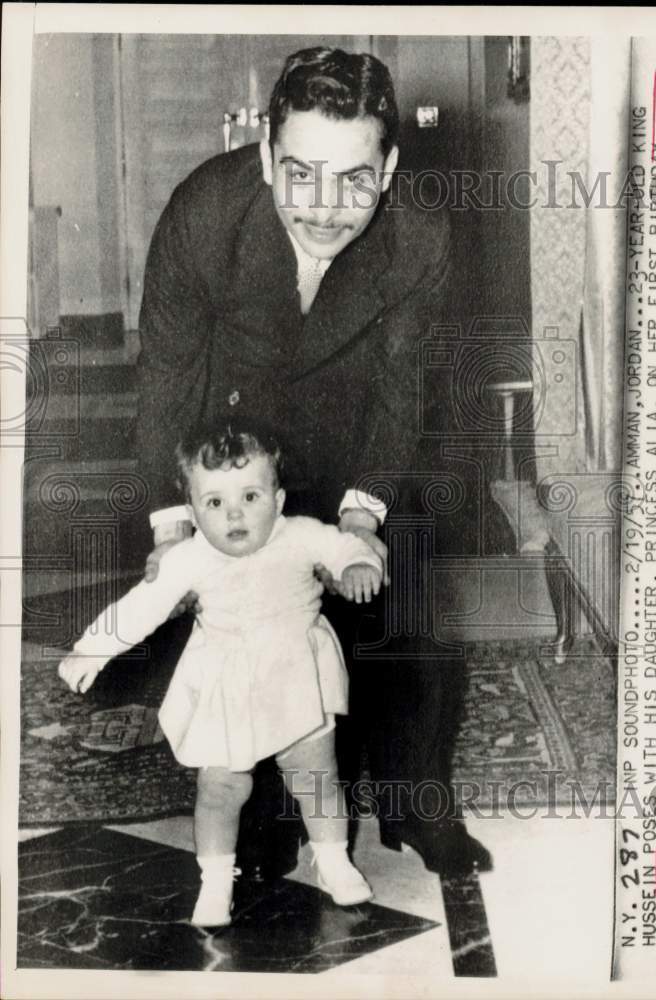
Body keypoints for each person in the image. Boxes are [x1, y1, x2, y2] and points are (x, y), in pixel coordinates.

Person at [136, 46, 492, 879]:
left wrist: (361, 522)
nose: (326, 209)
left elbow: (402, 394)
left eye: (355, 180)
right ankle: (266, 817)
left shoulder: (422, 240)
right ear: (264, 156)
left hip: (358, 429)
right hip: (237, 449)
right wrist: (176, 527)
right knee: (244, 630)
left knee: (402, 597)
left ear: (391, 167)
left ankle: (413, 804)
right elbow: (167, 380)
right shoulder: (203, 215)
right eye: (300, 175)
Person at [58, 415, 383, 927]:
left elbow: (346, 547)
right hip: (226, 686)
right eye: (215, 503)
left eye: (250, 498)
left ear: (277, 501)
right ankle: (213, 881)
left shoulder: (299, 536)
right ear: (193, 512)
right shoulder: (189, 557)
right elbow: (142, 606)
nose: (234, 515)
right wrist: (90, 650)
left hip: (299, 678)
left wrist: (360, 564)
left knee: (316, 779)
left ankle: (334, 861)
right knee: (220, 790)